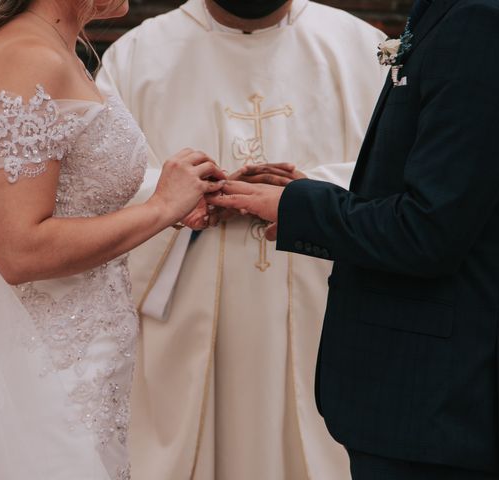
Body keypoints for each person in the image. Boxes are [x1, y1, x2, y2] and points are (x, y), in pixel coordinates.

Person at [209, 0, 499, 478]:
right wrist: (315, 198)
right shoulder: (458, 12)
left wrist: (296, 207)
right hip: (423, 402)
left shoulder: (488, 23)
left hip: (437, 403)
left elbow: (428, 231)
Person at [0, 0, 225, 478]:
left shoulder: (61, 48)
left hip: (86, 363)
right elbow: (19, 250)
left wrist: (178, 201)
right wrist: (159, 208)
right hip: (41, 365)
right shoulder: (26, 59)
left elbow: (71, 195)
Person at [96, 1, 386, 478]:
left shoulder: (360, 49)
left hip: (325, 318)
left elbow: (399, 182)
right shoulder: (139, 54)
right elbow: (99, 189)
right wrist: (183, 197)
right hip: (182, 322)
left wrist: (308, 195)